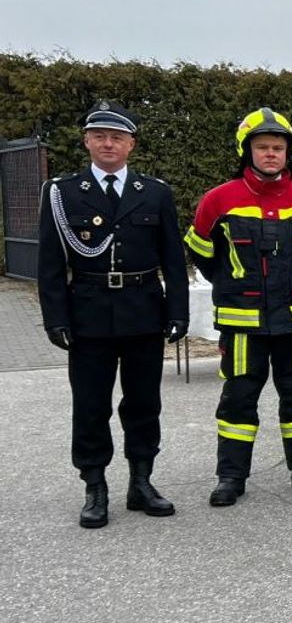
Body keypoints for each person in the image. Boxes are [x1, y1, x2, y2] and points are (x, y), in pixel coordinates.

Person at [38, 101, 189, 529]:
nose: (109, 143)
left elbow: (173, 260)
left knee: (144, 403)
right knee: (91, 406)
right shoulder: (62, 193)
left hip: (143, 312)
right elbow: (50, 264)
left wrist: (177, 311)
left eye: (117, 137)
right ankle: (95, 486)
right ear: (87, 141)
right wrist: (56, 318)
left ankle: (141, 482)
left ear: (131, 145)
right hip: (88, 314)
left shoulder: (154, 192)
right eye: (100, 136)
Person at [185, 109, 292, 505]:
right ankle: (231, 477)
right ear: (247, 151)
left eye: (277, 147)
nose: (271, 154)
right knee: (238, 398)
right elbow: (203, 255)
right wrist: (237, 286)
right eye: (262, 147)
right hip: (243, 325)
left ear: (289, 152)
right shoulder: (218, 200)